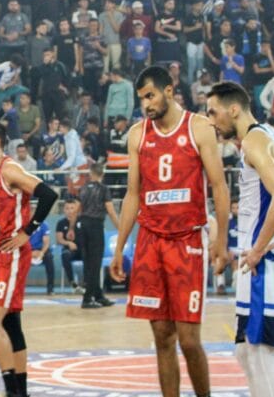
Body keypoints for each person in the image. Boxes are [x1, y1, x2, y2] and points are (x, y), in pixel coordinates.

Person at [110, 66, 230, 397]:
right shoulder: (138, 134)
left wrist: (221, 241)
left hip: (188, 239)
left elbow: (219, 187)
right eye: (141, 99)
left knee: (189, 340)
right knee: (162, 336)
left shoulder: (199, 127)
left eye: (150, 96)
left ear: (169, 90)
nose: (146, 104)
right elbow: (132, 194)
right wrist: (120, 248)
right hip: (151, 240)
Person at [204, 81, 274, 397]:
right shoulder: (273, 135)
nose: (210, 120)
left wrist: (262, 245)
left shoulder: (253, 142)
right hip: (267, 252)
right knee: (245, 351)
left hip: (264, 258)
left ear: (233, 109)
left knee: (259, 352)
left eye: (213, 112)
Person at [0, 120, 59, 397]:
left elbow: (48, 194)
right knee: (10, 324)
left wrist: (27, 232)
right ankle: (21, 390)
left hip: (10, 256)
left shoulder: (9, 169)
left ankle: (12, 391)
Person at [75, 163, 120, 308]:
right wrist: (120, 228)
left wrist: (71, 227)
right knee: (95, 263)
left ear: (90, 173)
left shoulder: (83, 188)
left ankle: (98, 295)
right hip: (95, 226)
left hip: (82, 226)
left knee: (89, 263)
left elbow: (76, 209)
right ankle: (87, 298)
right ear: (103, 174)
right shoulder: (103, 189)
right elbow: (111, 211)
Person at [57, 199, 83, 294]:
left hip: (82, 250)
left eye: (72, 208)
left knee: (90, 255)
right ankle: (73, 283)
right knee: (65, 255)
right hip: (70, 251)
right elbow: (59, 240)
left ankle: (87, 283)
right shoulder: (61, 223)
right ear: (64, 210)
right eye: (67, 208)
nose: (69, 210)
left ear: (76, 209)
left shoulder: (81, 221)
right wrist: (68, 243)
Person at [29, 221, 53, 295]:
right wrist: (30, 253)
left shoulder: (44, 225)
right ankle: (17, 288)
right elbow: (22, 242)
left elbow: (46, 243)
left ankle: (50, 289)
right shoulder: (24, 223)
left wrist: (41, 253)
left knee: (49, 257)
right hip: (28, 249)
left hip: (41, 249)